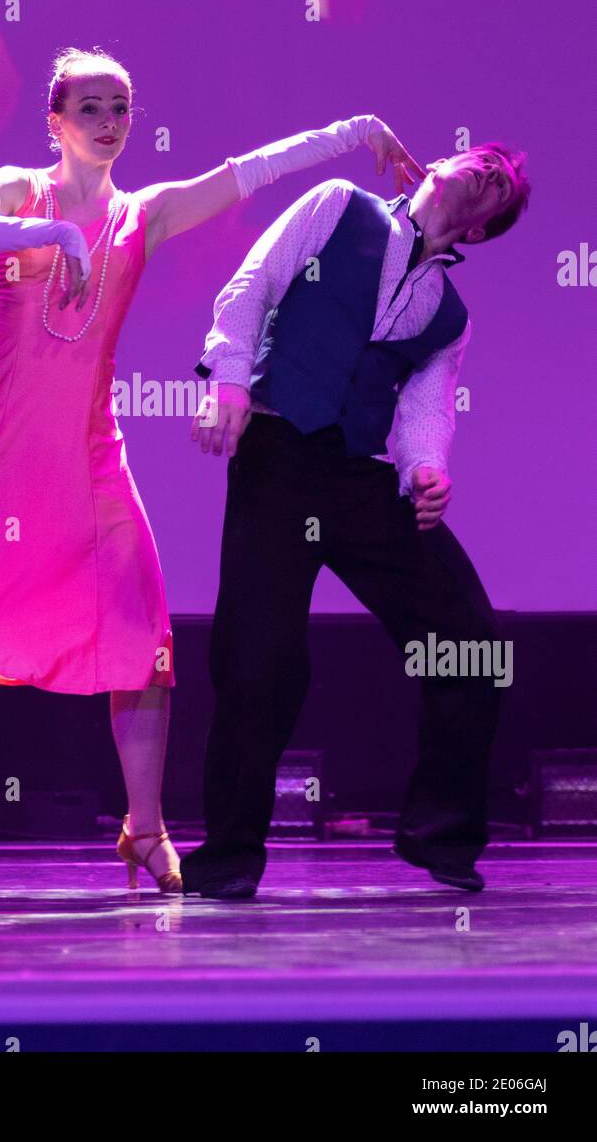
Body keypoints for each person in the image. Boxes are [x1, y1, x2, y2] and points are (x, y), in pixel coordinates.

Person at [0, 42, 420, 898]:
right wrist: (51, 233)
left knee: (141, 636)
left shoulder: (143, 215)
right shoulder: (20, 190)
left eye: (120, 108)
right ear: (56, 120)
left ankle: (145, 830)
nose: (109, 122)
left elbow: (248, 172)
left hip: (86, 449)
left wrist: (355, 130)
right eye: (90, 107)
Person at [181, 142, 530, 899]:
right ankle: (229, 857)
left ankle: (440, 835)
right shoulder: (339, 205)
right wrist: (229, 379)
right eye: (481, 160)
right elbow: (252, 285)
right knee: (259, 659)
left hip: (359, 475)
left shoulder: (450, 315)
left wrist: (425, 468)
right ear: (437, 166)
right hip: (278, 455)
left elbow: (425, 408)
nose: (489, 171)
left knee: (470, 640)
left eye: (500, 183)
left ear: (481, 228)